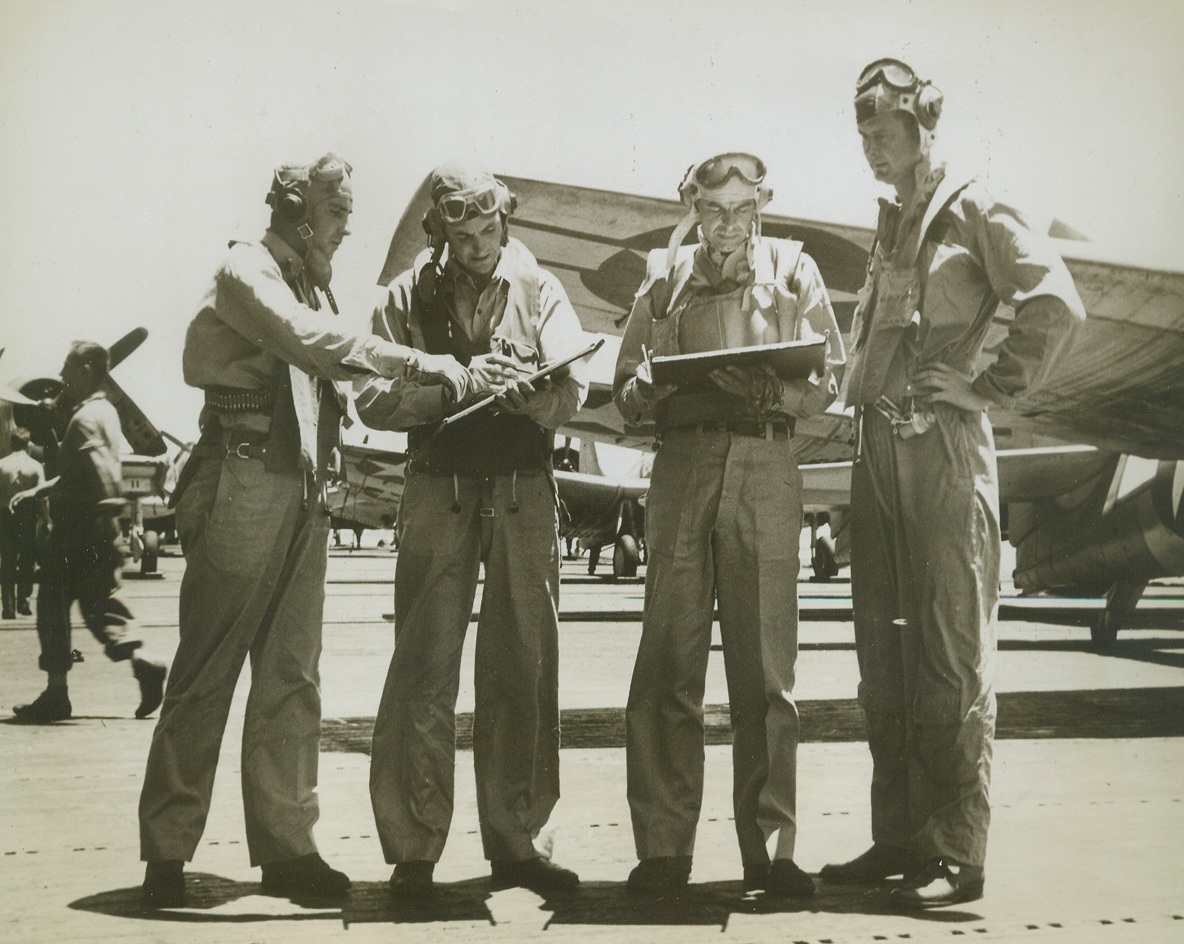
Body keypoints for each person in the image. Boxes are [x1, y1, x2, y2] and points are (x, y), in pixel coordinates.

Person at [137, 153, 468, 908]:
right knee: (207, 669)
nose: (347, 228)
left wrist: (445, 388)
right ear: (296, 209)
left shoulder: (311, 281)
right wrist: (423, 361)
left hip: (301, 483)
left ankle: (288, 849)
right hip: (246, 477)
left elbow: (331, 375)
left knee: (292, 676)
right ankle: (166, 851)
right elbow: (308, 342)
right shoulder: (246, 271)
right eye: (339, 213)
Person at [819, 59, 1085, 908]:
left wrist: (991, 389)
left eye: (884, 131)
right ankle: (898, 839)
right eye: (862, 134)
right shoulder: (891, 224)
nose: (870, 146)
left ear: (924, 127)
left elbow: (1057, 304)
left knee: (949, 654)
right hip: (879, 455)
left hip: (943, 451)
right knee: (885, 657)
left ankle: (956, 851)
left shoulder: (975, 205)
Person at [613, 152, 845, 897]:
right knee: (668, 666)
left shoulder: (795, 269)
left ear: (762, 206)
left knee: (767, 671)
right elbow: (621, 391)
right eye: (713, 212)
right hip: (681, 467)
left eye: (742, 211)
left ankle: (772, 852)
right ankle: (663, 850)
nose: (727, 227)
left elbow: (828, 381)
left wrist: (773, 383)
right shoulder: (661, 275)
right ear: (691, 208)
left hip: (764, 462)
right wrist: (644, 383)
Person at [356, 162, 589, 898]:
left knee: (524, 662)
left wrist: (531, 396)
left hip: (524, 488)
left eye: (489, 228)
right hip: (437, 488)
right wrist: (455, 381)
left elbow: (575, 386)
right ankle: (413, 849)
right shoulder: (402, 296)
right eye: (462, 232)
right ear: (440, 232)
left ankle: (518, 843)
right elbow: (367, 395)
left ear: (505, 221)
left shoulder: (542, 288)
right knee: (423, 667)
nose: (479, 243)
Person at [10, 344, 168, 723]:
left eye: (67, 366)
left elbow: (101, 470)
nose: (61, 375)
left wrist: (105, 507)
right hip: (94, 529)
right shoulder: (105, 412)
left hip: (78, 532)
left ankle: (57, 694)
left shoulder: (84, 419)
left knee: (52, 606)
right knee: (100, 607)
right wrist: (39, 490)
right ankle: (143, 662)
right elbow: (84, 467)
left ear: (85, 369)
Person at [0, 427, 43, 618]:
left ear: (11, 443)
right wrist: (47, 519)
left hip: (5, 515)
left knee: (7, 561)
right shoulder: (35, 466)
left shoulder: (1, 465)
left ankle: (8, 607)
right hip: (28, 516)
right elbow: (43, 495)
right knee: (27, 560)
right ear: (28, 445)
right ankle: (24, 603)